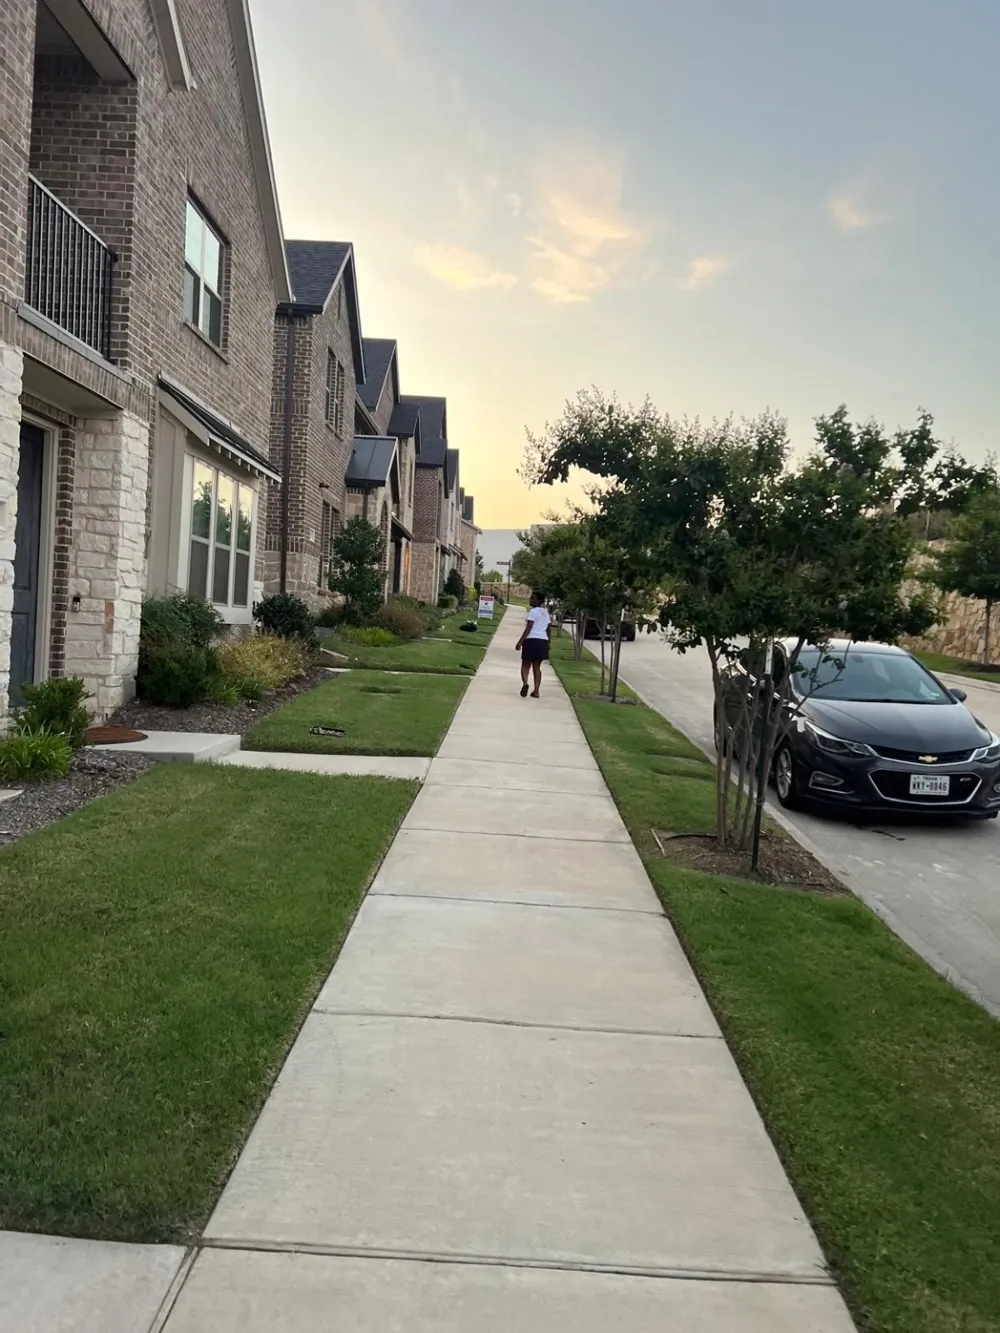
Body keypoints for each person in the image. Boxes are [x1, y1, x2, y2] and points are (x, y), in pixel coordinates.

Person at [515, 591, 551, 698]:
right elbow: (548, 629)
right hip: (542, 641)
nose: (530, 600)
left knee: (525, 664)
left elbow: (529, 627)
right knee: (537, 667)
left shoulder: (533, 611)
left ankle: (525, 683)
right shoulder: (545, 613)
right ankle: (536, 691)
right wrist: (549, 642)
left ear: (539, 601)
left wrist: (520, 641)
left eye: (533, 598)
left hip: (531, 640)